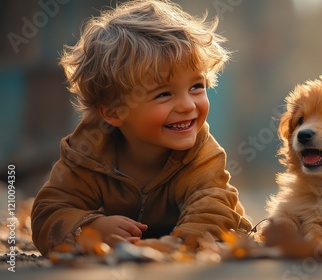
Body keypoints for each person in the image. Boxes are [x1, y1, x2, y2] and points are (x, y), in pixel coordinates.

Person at [31, 0, 252, 257]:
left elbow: (214, 208)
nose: (187, 105)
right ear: (114, 111)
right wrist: (90, 228)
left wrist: (181, 248)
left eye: (196, 86)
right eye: (164, 94)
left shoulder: (201, 155)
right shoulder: (88, 154)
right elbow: (49, 212)